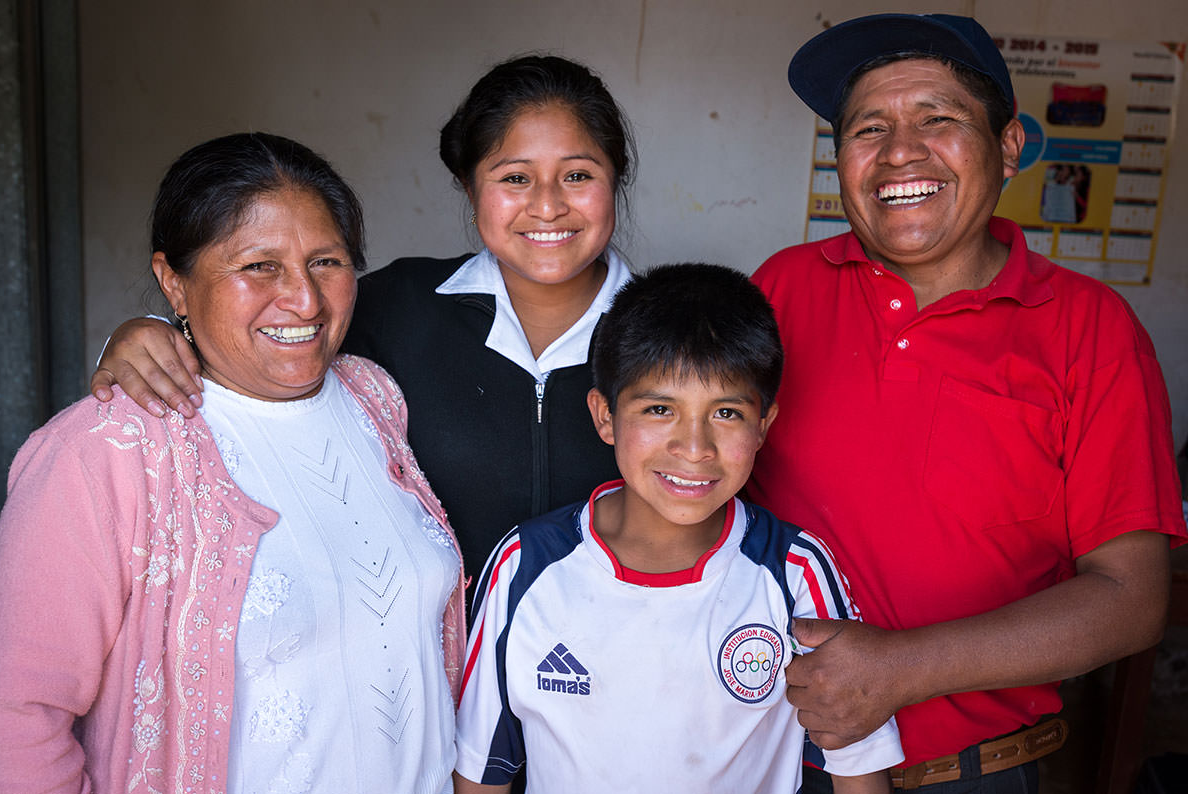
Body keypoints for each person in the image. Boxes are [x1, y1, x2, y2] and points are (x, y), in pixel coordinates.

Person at [747, 13, 1187, 792]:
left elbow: (1132, 596)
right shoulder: (781, 289)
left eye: (938, 120)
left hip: (972, 774)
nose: (898, 153)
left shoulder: (1089, 329)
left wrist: (900, 668)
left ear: (1010, 146)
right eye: (868, 128)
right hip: (765, 759)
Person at [0, 133, 465, 793]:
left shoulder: (373, 398)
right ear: (173, 284)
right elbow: (14, 720)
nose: (304, 299)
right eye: (260, 266)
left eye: (326, 261)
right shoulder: (103, 453)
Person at [87, 55, 633, 584]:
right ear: (470, 190)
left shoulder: (673, 332)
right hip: (439, 668)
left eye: (578, 175)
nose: (546, 206)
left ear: (616, 180)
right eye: (515, 178)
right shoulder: (396, 305)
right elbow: (255, 329)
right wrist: (145, 331)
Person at [453, 264, 905, 794]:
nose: (694, 448)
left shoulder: (794, 571)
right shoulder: (527, 566)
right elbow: (481, 772)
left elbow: (858, 771)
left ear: (764, 426)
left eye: (728, 413)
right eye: (660, 409)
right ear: (604, 416)